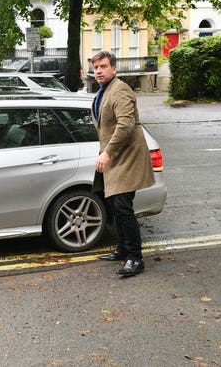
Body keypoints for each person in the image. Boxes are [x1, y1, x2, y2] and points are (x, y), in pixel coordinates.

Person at [90, 51, 155, 277]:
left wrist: (107, 153)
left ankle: (135, 258)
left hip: (127, 157)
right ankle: (121, 249)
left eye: (103, 66)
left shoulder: (120, 90)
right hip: (115, 157)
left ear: (114, 69)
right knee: (113, 205)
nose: (98, 70)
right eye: (96, 67)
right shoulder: (103, 91)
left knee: (122, 208)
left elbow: (126, 125)